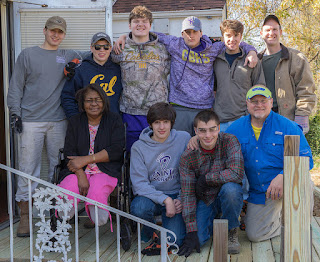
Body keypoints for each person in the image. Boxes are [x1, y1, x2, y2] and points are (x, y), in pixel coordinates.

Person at [7, 16, 89, 237]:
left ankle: (60, 214)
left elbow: (96, 53)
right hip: (30, 120)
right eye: (52, 30)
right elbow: (15, 87)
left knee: (60, 168)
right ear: (44, 31)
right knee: (27, 168)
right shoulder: (28, 55)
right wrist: (15, 113)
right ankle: (25, 216)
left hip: (59, 121)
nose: (56, 35)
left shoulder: (68, 55)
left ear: (64, 34)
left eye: (60, 32)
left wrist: (119, 42)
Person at [115, 16, 258, 136]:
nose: (191, 35)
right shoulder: (174, 44)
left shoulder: (214, 48)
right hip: (179, 106)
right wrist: (125, 36)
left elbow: (236, 42)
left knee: (203, 148)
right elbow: (146, 33)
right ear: (182, 34)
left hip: (203, 107)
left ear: (201, 33)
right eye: (187, 32)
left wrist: (251, 51)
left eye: (195, 32)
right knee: (180, 148)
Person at [226, 85, 313, 242]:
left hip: (288, 182)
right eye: (254, 101)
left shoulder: (287, 126)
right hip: (261, 192)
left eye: (263, 101)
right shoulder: (236, 129)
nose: (259, 105)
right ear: (247, 104)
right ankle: (279, 218)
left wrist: (283, 176)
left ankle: (300, 225)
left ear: (271, 102)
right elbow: (214, 143)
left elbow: (306, 159)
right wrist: (195, 139)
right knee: (255, 235)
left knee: (305, 180)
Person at [178, 110, 244, 257]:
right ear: (195, 131)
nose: (208, 135)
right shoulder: (188, 156)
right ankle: (217, 220)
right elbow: (187, 194)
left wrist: (206, 179)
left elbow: (236, 173)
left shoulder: (230, 141)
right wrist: (191, 230)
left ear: (219, 128)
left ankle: (231, 229)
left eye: (212, 129)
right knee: (198, 240)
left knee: (231, 191)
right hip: (206, 199)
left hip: (226, 193)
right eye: (202, 131)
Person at [58, 83, 125, 227]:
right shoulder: (75, 121)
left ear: (104, 101)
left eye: (98, 99)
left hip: (105, 169)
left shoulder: (114, 120)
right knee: (69, 186)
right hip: (77, 170)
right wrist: (80, 174)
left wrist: (87, 159)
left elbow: (116, 149)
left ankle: (98, 217)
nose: (94, 104)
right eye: (89, 100)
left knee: (97, 189)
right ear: (82, 103)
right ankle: (63, 218)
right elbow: (69, 152)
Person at [130, 102, 191, 254]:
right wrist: (165, 200)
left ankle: (167, 225)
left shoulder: (184, 139)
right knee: (138, 207)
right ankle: (150, 229)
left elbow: (192, 172)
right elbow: (139, 184)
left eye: (166, 122)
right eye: (157, 122)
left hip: (176, 197)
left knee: (174, 242)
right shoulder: (139, 147)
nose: (161, 127)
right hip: (152, 197)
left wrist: (181, 198)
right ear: (150, 124)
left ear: (172, 123)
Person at [111, 5, 170, 151]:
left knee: (159, 155)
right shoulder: (120, 49)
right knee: (133, 154)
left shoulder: (164, 49)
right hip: (131, 112)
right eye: (136, 21)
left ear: (150, 25)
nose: (140, 24)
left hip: (158, 112)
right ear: (129, 25)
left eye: (144, 21)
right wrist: (123, 37)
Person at [258, 14, 316, 134]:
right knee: (267, 152)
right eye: (267, 30)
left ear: (280, 32)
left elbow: (306, 89)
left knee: (290, 152)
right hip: (262, 121)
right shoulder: (257, 60)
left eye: (275, 29)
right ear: (261, 33)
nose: (271, 33)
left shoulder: (296, 58)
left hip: (289, 120)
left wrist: (301, 117)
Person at [214, 19, 265, 132]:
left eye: (236, 35)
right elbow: (213, 89)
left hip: (244, 120)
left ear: (241, 36)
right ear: (223, 37)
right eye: (228, 35)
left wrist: (251, 115)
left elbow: (259, 90)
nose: (232, 39)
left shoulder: (252, 61)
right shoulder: (216, 61)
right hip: (220, 121)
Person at [61, 32, 122, 118]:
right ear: (91, 48)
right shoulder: (81, 70)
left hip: (113, 123)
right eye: (97, 47)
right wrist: (75, 119)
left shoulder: (118, 69)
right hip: (88, 124)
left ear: (110, 48)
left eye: (106, 47)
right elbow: (67, 96)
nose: (102, 50)